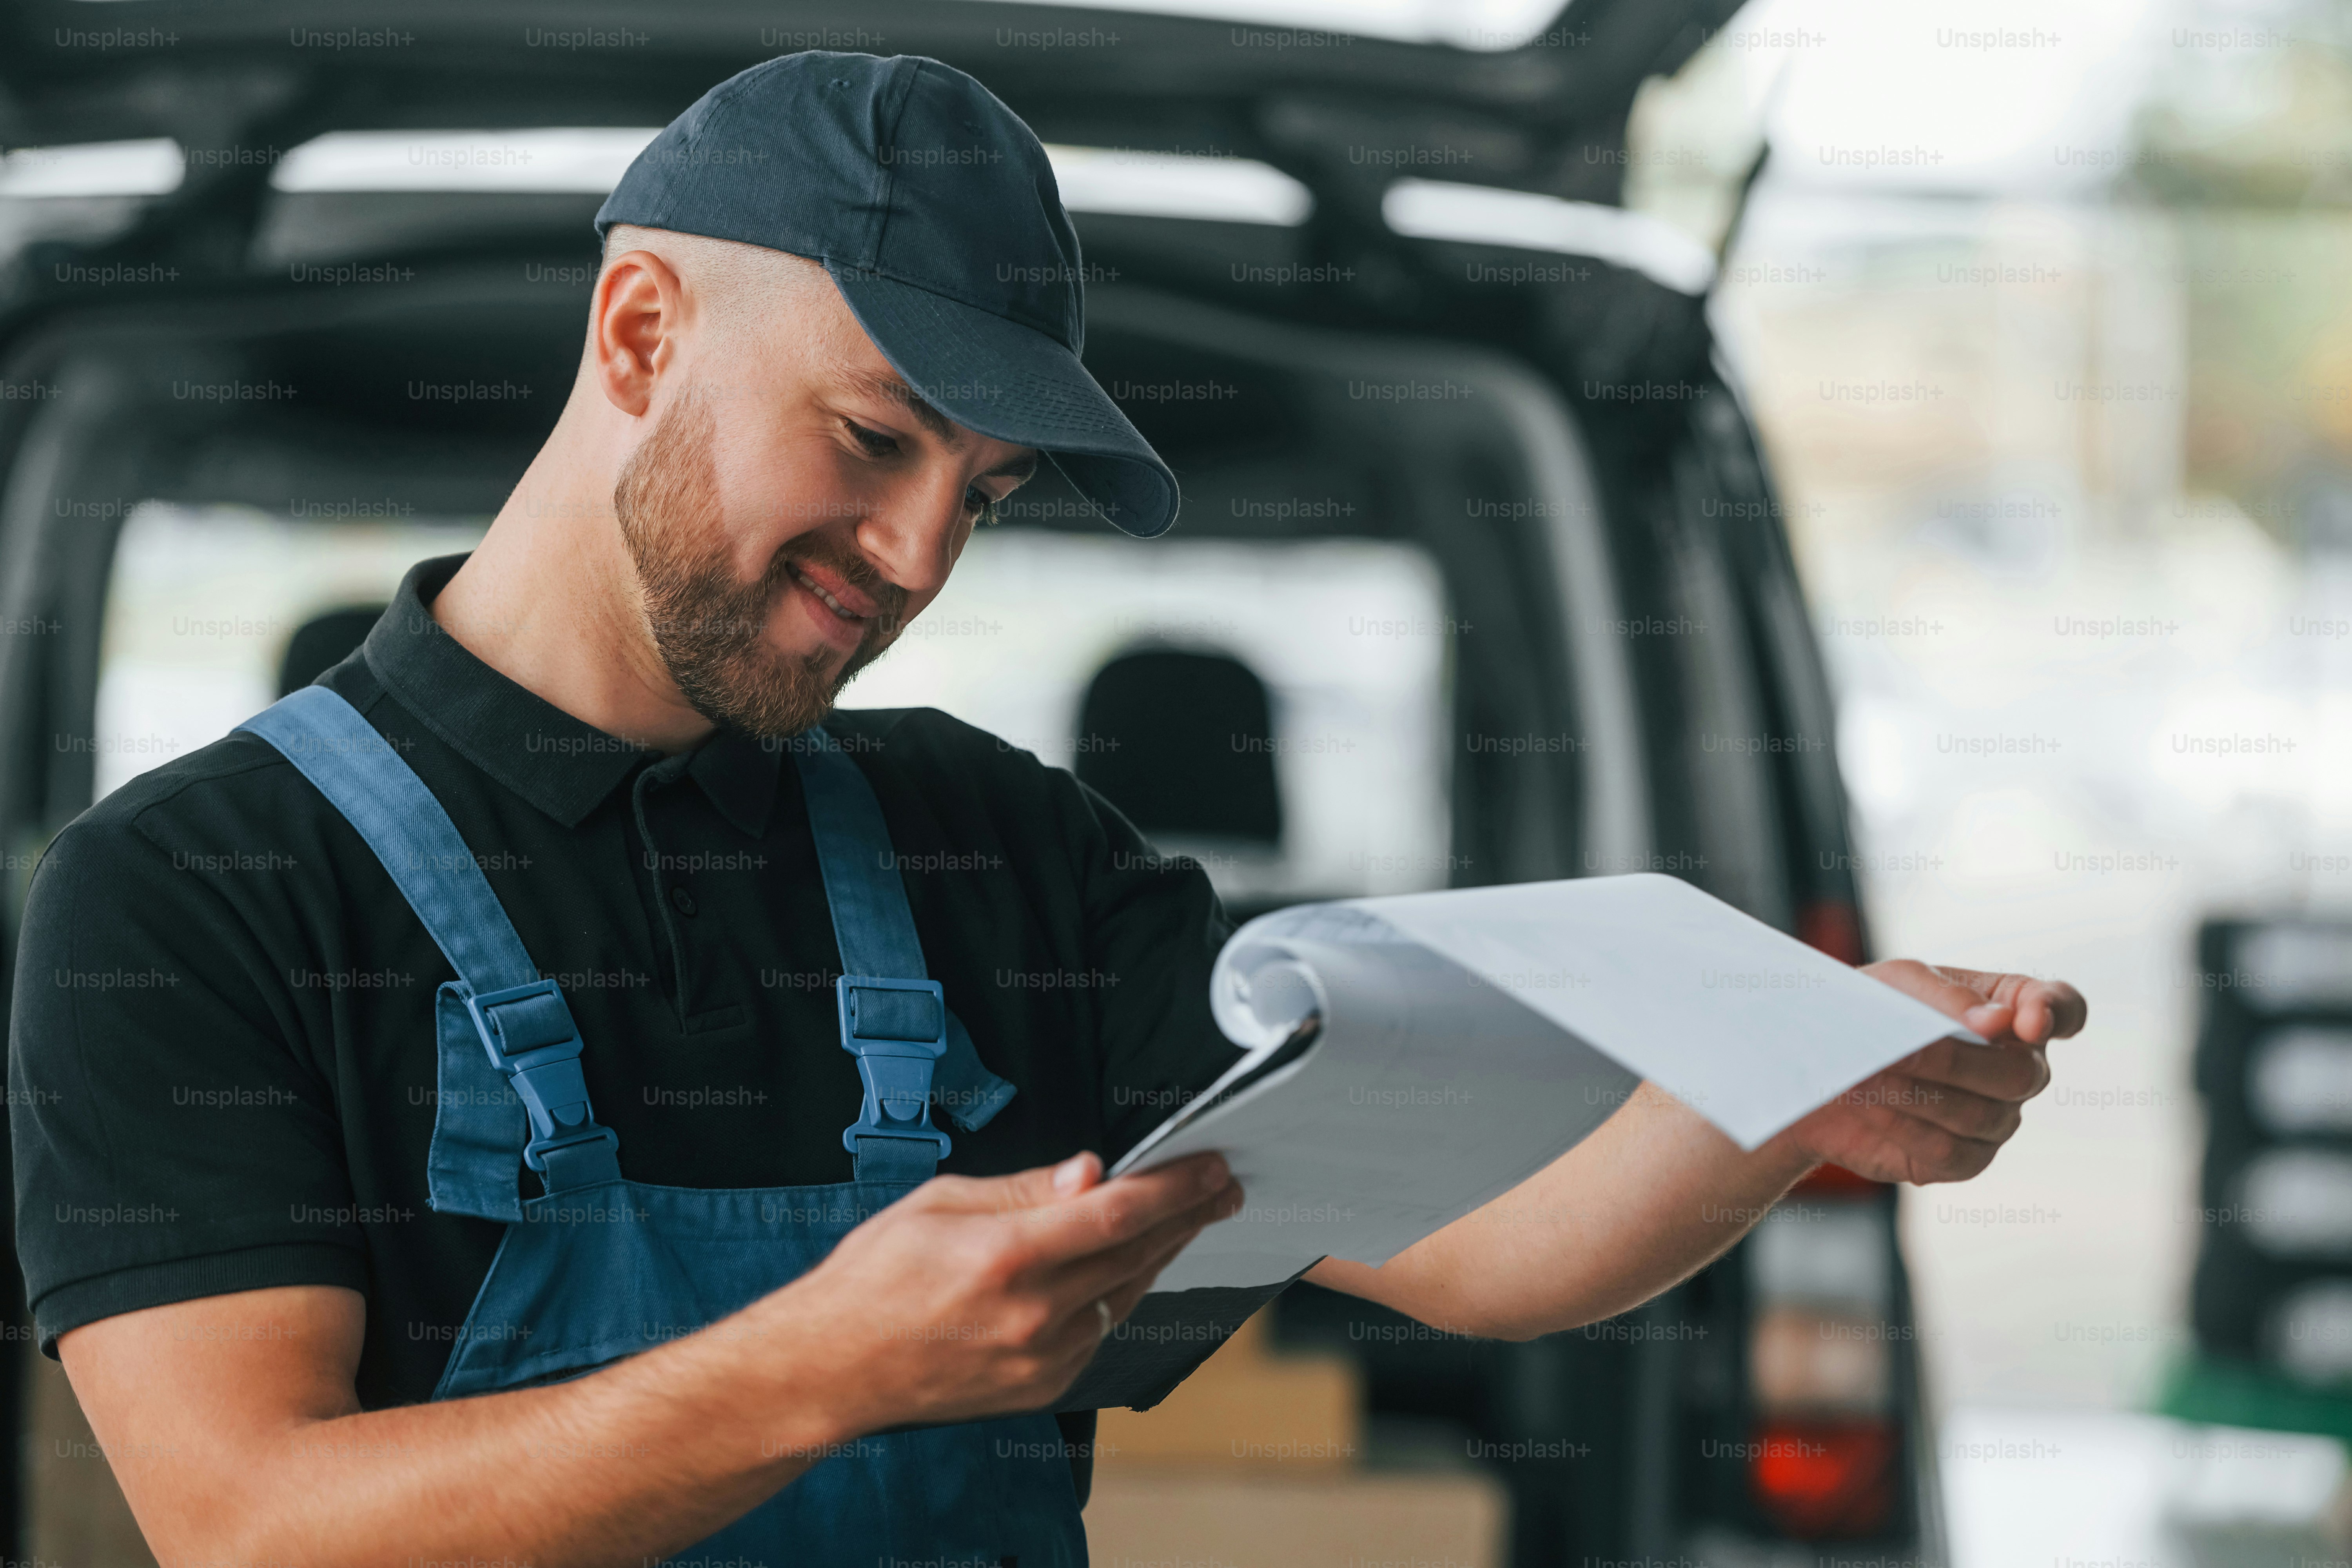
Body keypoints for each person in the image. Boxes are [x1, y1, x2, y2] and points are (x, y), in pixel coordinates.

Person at [8, 51, 2083, 1568]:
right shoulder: (193, 897)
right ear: (640, 330)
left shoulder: (996, 853)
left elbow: (1478, 1248)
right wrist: (827, 1365)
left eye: (982, 497)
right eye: (873, 437)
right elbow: (253, 1522)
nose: (918, 556)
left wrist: (1778, 1097)